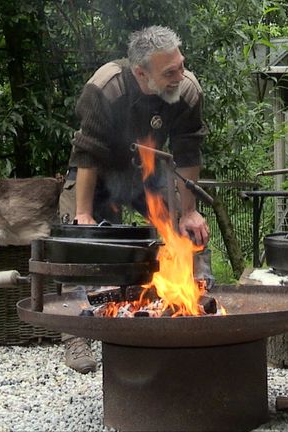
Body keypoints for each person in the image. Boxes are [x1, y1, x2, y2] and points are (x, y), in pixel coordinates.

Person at [58, 25, 210, 374]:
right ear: (141, 72)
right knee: (72, 243)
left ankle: (197, 305)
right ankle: (74, 335)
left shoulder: (187, 91)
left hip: (149, 175)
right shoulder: (106, 87)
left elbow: (188, 152)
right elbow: (87, 152)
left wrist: (188, 211)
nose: (180, 76)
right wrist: (83, 215)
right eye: (169, 72)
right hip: (95, 173)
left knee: (187, 232)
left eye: (181, 65)